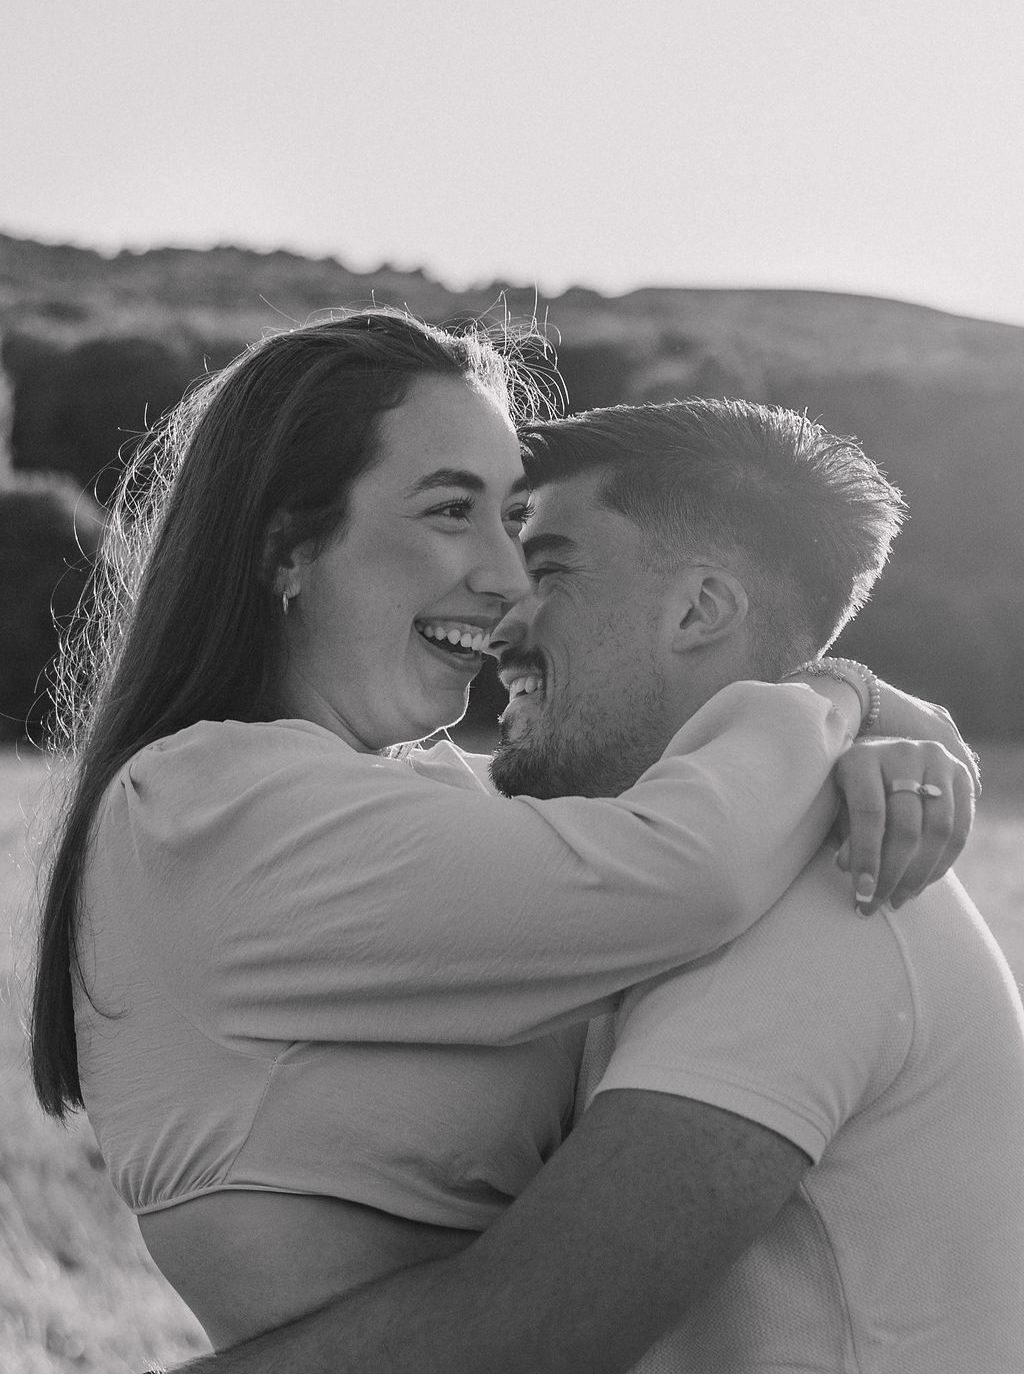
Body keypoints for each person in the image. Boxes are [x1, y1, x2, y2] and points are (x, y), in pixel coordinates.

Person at [28, 313, 970, 1353]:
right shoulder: (211, 809)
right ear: (287, 546)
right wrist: (836, 695)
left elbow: (639, 809)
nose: (509, 578)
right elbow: (679, 864)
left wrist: (875, 722)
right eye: (448, 510)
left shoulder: (389, 803)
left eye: (515, 528)